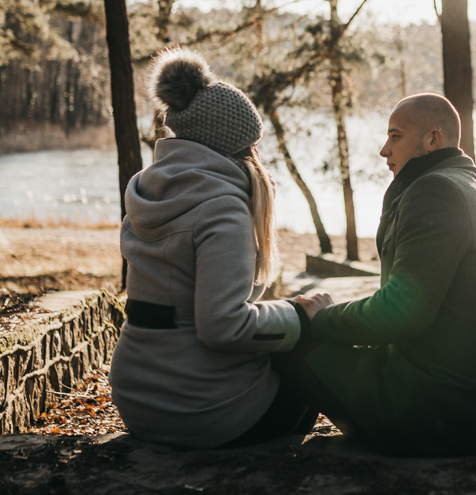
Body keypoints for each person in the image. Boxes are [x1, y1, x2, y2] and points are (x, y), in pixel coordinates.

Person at [108, 47, 331, 449]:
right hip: (200, 408)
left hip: (138, 399)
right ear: (235, 146)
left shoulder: (150, 192)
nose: (258, 155)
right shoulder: (221, 207)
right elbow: (222, 325)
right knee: (313, 341)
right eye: (252, 144)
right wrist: (300, 313)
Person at [291, 93, 476, 457]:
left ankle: (268, 454)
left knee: (289, 341)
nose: (383, 150)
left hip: (442, 411)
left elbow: (402, 311)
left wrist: (320, 320)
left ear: (432, 140)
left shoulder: (436, 191)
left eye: (396, 136)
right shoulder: (463, 184)